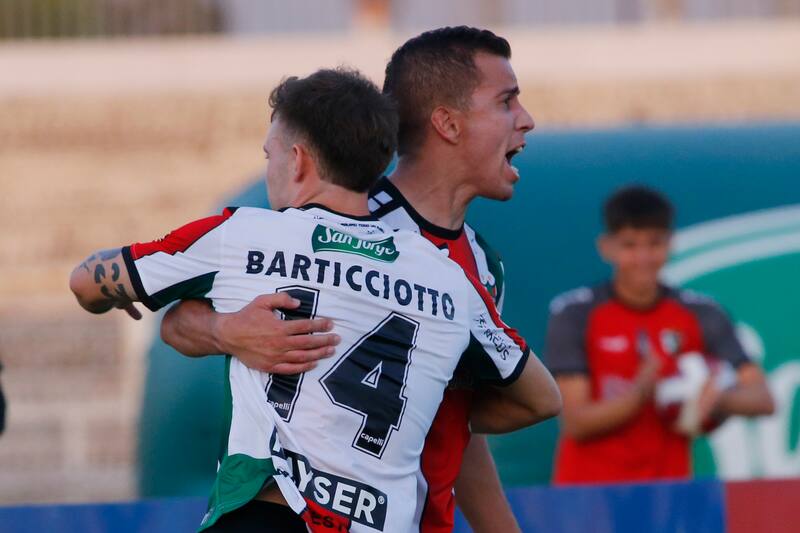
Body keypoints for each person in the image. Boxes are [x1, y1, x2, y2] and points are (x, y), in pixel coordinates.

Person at [70, 67, 555, 532]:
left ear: (297, 160)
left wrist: (110, 300)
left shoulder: (246, 234)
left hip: (269, 513)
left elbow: (86, 281)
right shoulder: (448, 276)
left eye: (270, 156)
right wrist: (425, 405)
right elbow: (542, 398)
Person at [545, 185, 775, 484]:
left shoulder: (701, 312)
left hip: (669, 493)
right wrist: (639, 394)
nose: (643, 257)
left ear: (670, 244)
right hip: (590, 496)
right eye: (630, 245)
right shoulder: (575, 313)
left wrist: (716, 397)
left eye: (654, 244)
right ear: (607, 247)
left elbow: (763, 398)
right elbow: (575, 421)